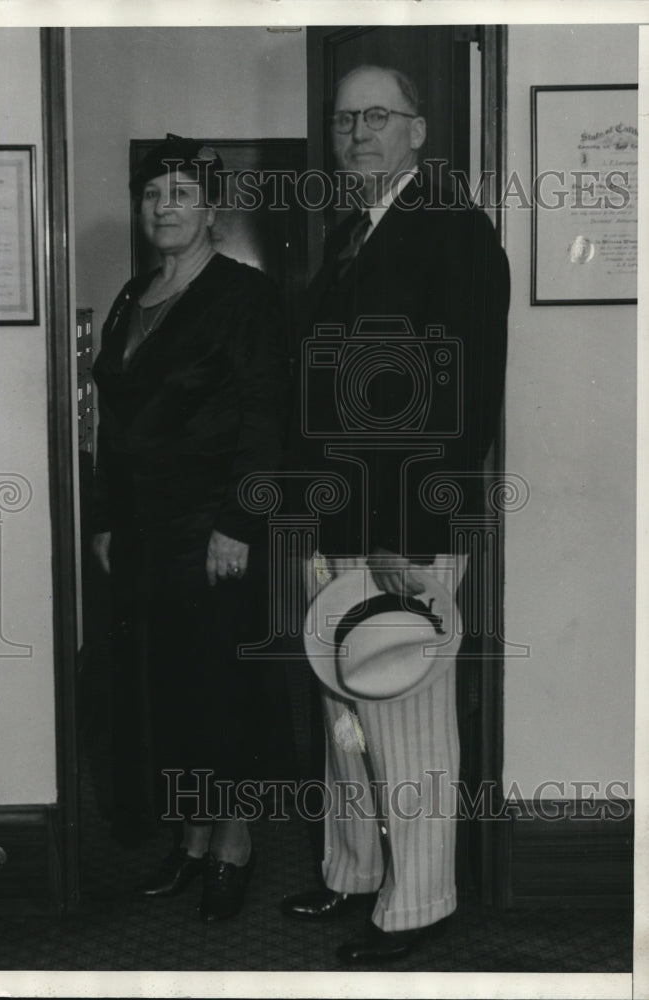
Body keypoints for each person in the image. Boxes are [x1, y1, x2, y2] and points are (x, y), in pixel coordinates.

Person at [281, 65, 510, 962]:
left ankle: (419, 905)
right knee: (347, 708)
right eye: (344, 121)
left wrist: (407, 536)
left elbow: (465, 399)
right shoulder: (352, 230)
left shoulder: (452, 231)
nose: (357, 134)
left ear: (419, 131)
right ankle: (353, 874)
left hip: (403, 527)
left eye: (377, 117)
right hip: (336, 521)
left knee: (405, 720)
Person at [91, 136, 290, 922]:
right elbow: (114, 413)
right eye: (152, 195)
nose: (164, 206)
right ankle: (192, 838)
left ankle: (234, 840)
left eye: (180, 193)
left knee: (219, 691)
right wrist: (106, 516)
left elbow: (264, 417)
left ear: (210, 208)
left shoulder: (246, 295)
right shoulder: (132, 294)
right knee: (163, 691)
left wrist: (240, 520)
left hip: (214, 529)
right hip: (142, 532)